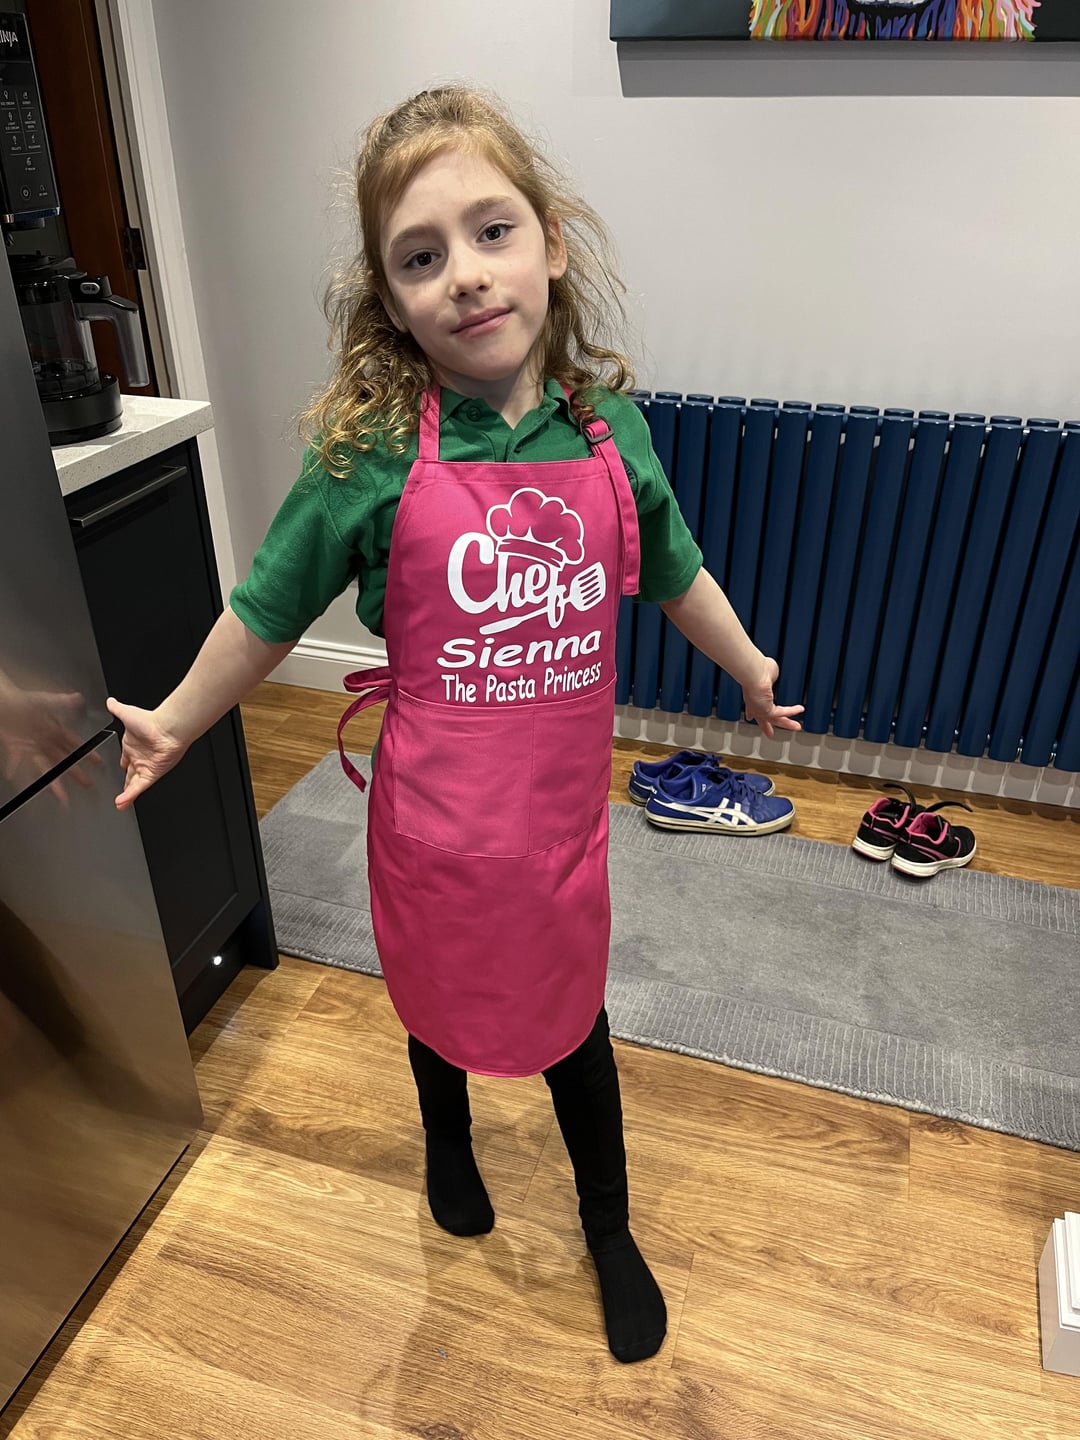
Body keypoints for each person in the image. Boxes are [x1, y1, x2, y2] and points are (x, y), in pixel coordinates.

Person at [107, 87, 804, 1364]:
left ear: (551, 243)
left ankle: (608, 1228)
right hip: (431, 828)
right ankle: (446, 1140)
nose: (466, 276)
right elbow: (265, 611)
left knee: (571, 1023)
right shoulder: (373, 453)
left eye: (492, 232)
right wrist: (174, 723)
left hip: (558, 832)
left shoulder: (608, 434)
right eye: (420, 257)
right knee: (432, 1001)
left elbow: (676, 571)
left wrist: (751, 666)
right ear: (389, 299)